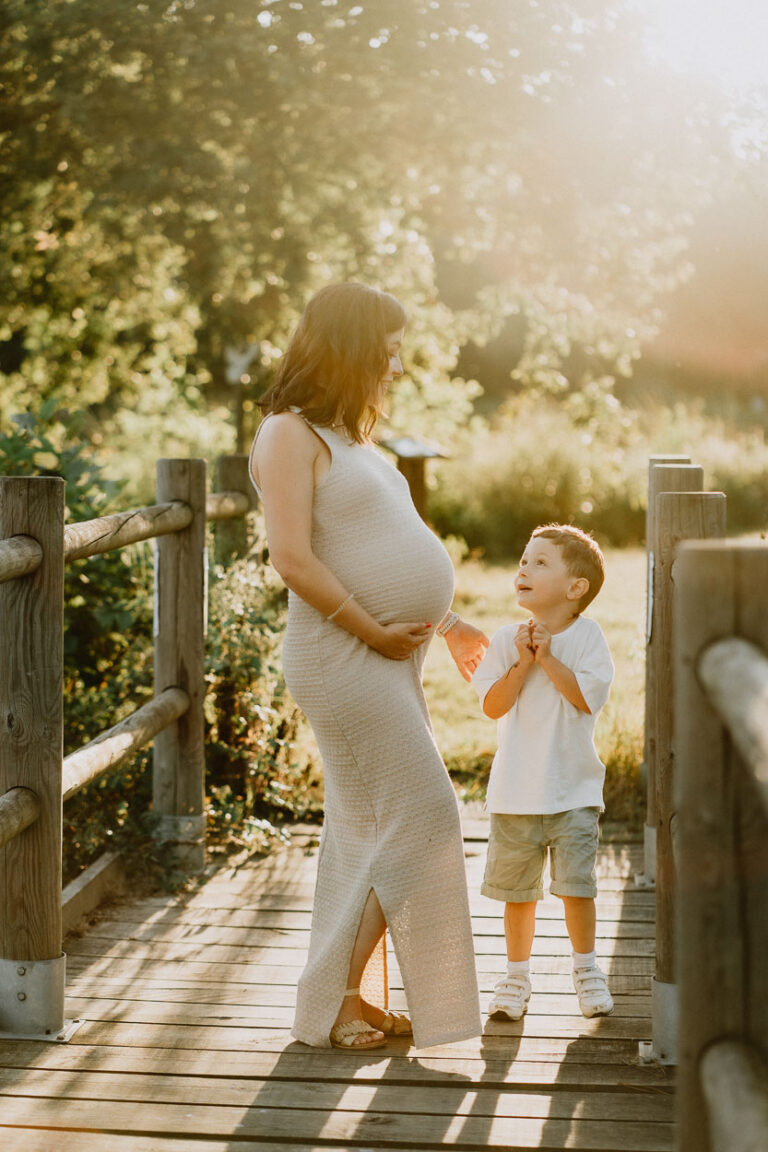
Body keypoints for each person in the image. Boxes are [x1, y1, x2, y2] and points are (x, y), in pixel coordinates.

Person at [248, 282, 486, 1050]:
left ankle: (347, 1001)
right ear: (349, 346)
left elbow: (374, 545)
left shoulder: (348, 436)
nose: (398, 363)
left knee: (366, 826)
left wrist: (446, 622)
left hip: (385, 654)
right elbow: (292, 558)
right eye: (388, 348)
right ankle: (339, 998)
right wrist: (372, 631)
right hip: (340, 654)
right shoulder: (287, 434)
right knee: (425, 814)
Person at [471, 524, 615, 1021]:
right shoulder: (505, 640)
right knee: (517, 895)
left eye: (539, 563)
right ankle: (516, 976)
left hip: (573, 791)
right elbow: (492, 705)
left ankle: (586, 969)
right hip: (515, 792)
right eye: (523, 561)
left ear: (576, 588)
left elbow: (585, 698)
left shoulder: (588, 637)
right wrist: (522, 663)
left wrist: (547, 658)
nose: (523, 569)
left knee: (577, 887)